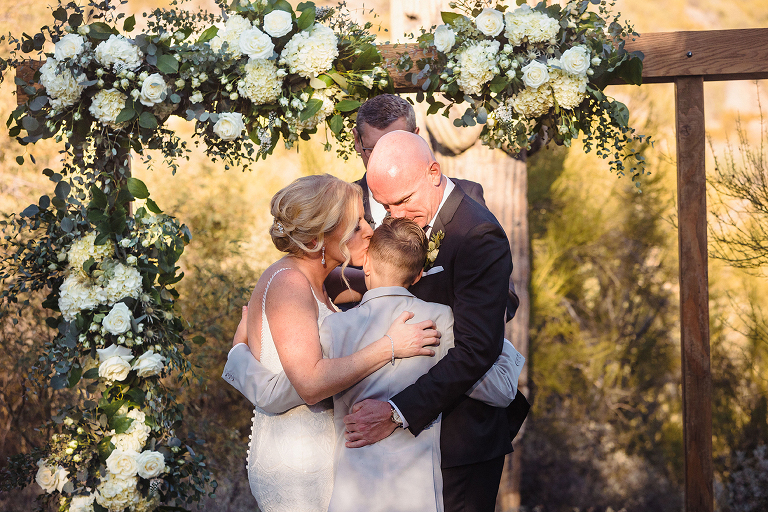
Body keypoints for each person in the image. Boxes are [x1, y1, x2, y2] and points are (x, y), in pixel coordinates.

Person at [222, 174, 440, 512]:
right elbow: (309, 383)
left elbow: (388, 283)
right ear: (321, 238)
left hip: (328, 456)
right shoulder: (290, 283)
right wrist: (389, 346)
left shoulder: (326, 281)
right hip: (300, 465)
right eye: (356, 226)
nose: (369, 231)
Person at [342, 131, 520, 512]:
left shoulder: (477, 235)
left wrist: (395, 411)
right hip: (415, 446)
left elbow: (476, 350)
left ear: (434, 172)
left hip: (461, 439)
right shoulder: (417, 218)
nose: (397, 217)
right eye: (387, 206)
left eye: (403, 201)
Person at [322, 217, 525, 512]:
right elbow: (501, 391)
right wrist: (492, 336)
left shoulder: (333, 327)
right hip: (415, 489)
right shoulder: (439, 320)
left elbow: (312, 387)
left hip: (353, 486)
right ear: (418, 276)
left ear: (365, 263)